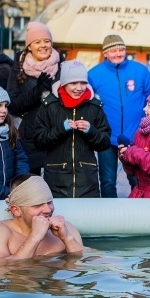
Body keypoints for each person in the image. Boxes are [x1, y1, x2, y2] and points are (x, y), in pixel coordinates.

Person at [88, 34, 150, 198]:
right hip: (107, 137)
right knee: (107, 181)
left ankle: (139, 214)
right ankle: (109, 218)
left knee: (137, 180)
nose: (118, 53)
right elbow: (88, 104)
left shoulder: (140, 71)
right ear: (105, 53)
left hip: (135, 136)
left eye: (121, 49)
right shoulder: (93, 74)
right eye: (113, 51)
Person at [33, 60, 111, 198]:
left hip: (87, 182)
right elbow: (39, 141)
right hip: (56, 181)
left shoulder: (94, 106)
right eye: (73, 83)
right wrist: (61, 129)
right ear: (63, 83)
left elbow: (104, 142)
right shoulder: (49, 105)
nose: (79, 88)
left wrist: (90, 131)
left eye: (83, 83)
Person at [0, 174, 84, 265]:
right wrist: (35, 237)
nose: (48, 210)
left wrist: (67, 239)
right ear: (16, 210)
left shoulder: (66, 228)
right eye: (37, 205)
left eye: (49, 202)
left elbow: (86, 263)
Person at [7, 22, 63, 177]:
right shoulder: (19, 68)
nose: (43, 45)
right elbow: (13, 105)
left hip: (56, 136)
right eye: (37, 42)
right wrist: (37, 91)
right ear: (29, 46)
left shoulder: (62, 67)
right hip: (29, 138)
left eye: (47, 41)